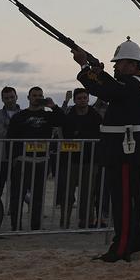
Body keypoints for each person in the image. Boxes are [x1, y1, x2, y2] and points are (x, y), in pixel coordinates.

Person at [72, 38, 140, 262]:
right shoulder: (133, 83)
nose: (116, 66)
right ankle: (137, 244)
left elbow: (106, 91)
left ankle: (122, 247)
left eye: (120, 63)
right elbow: (110, 86)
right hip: (126, 148)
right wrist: (97, 71)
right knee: (129, 199)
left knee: (123, 199)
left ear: (133, 65)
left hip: (126, 150)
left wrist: (85, 67)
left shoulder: (132, 83)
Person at [7, 87, 65, 231]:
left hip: (42, 161)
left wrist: (53, 106)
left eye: (40, 95)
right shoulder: (19, 116)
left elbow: (64, 120)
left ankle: (35, 226)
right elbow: (10, 138)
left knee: (38, 196)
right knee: (17, 195)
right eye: (34, 95)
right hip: (23, 160)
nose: (37, 98)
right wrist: (13, 158)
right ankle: (16, 226)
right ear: (28, 97)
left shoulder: (48, 116)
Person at [58, 88, 103, 229]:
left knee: (88, 193)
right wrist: (65, 101)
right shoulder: (69, 114)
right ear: (75, 100)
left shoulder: (95, 115)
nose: (82, 101)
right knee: (68, 193)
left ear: (88, 99)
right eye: (79, 98)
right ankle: (64, 221)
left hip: (90, 159)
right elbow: (59, 118)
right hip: (70, 159)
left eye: (85, 98)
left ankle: (86, 222)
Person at [0, 86, 20, 231]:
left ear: (16, 96)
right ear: (2, 99)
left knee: (17, 193)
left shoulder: (23, 114)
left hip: (18, 158)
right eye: (6, 98)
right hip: (0, 158)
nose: (9, 100)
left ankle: (16, 225)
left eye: (12, 97)